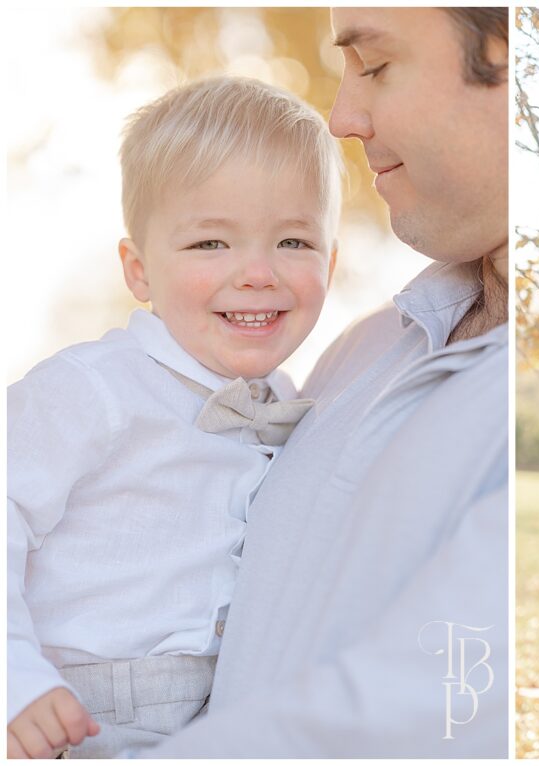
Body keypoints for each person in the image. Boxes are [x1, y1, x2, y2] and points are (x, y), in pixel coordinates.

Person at [138, 7, 509, 757]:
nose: (341, 118)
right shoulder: (364, 351)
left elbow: (416, 709)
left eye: (373, 66)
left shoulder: (531, 400)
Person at [7, 76, 341, 758]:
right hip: (81, 711)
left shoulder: (292, 398)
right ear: (139, 271)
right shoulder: (94, 388)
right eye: (209, 245)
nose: (255, 272)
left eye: (294, 242)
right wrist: (15, 675)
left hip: (229, 710)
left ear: (332, 262)